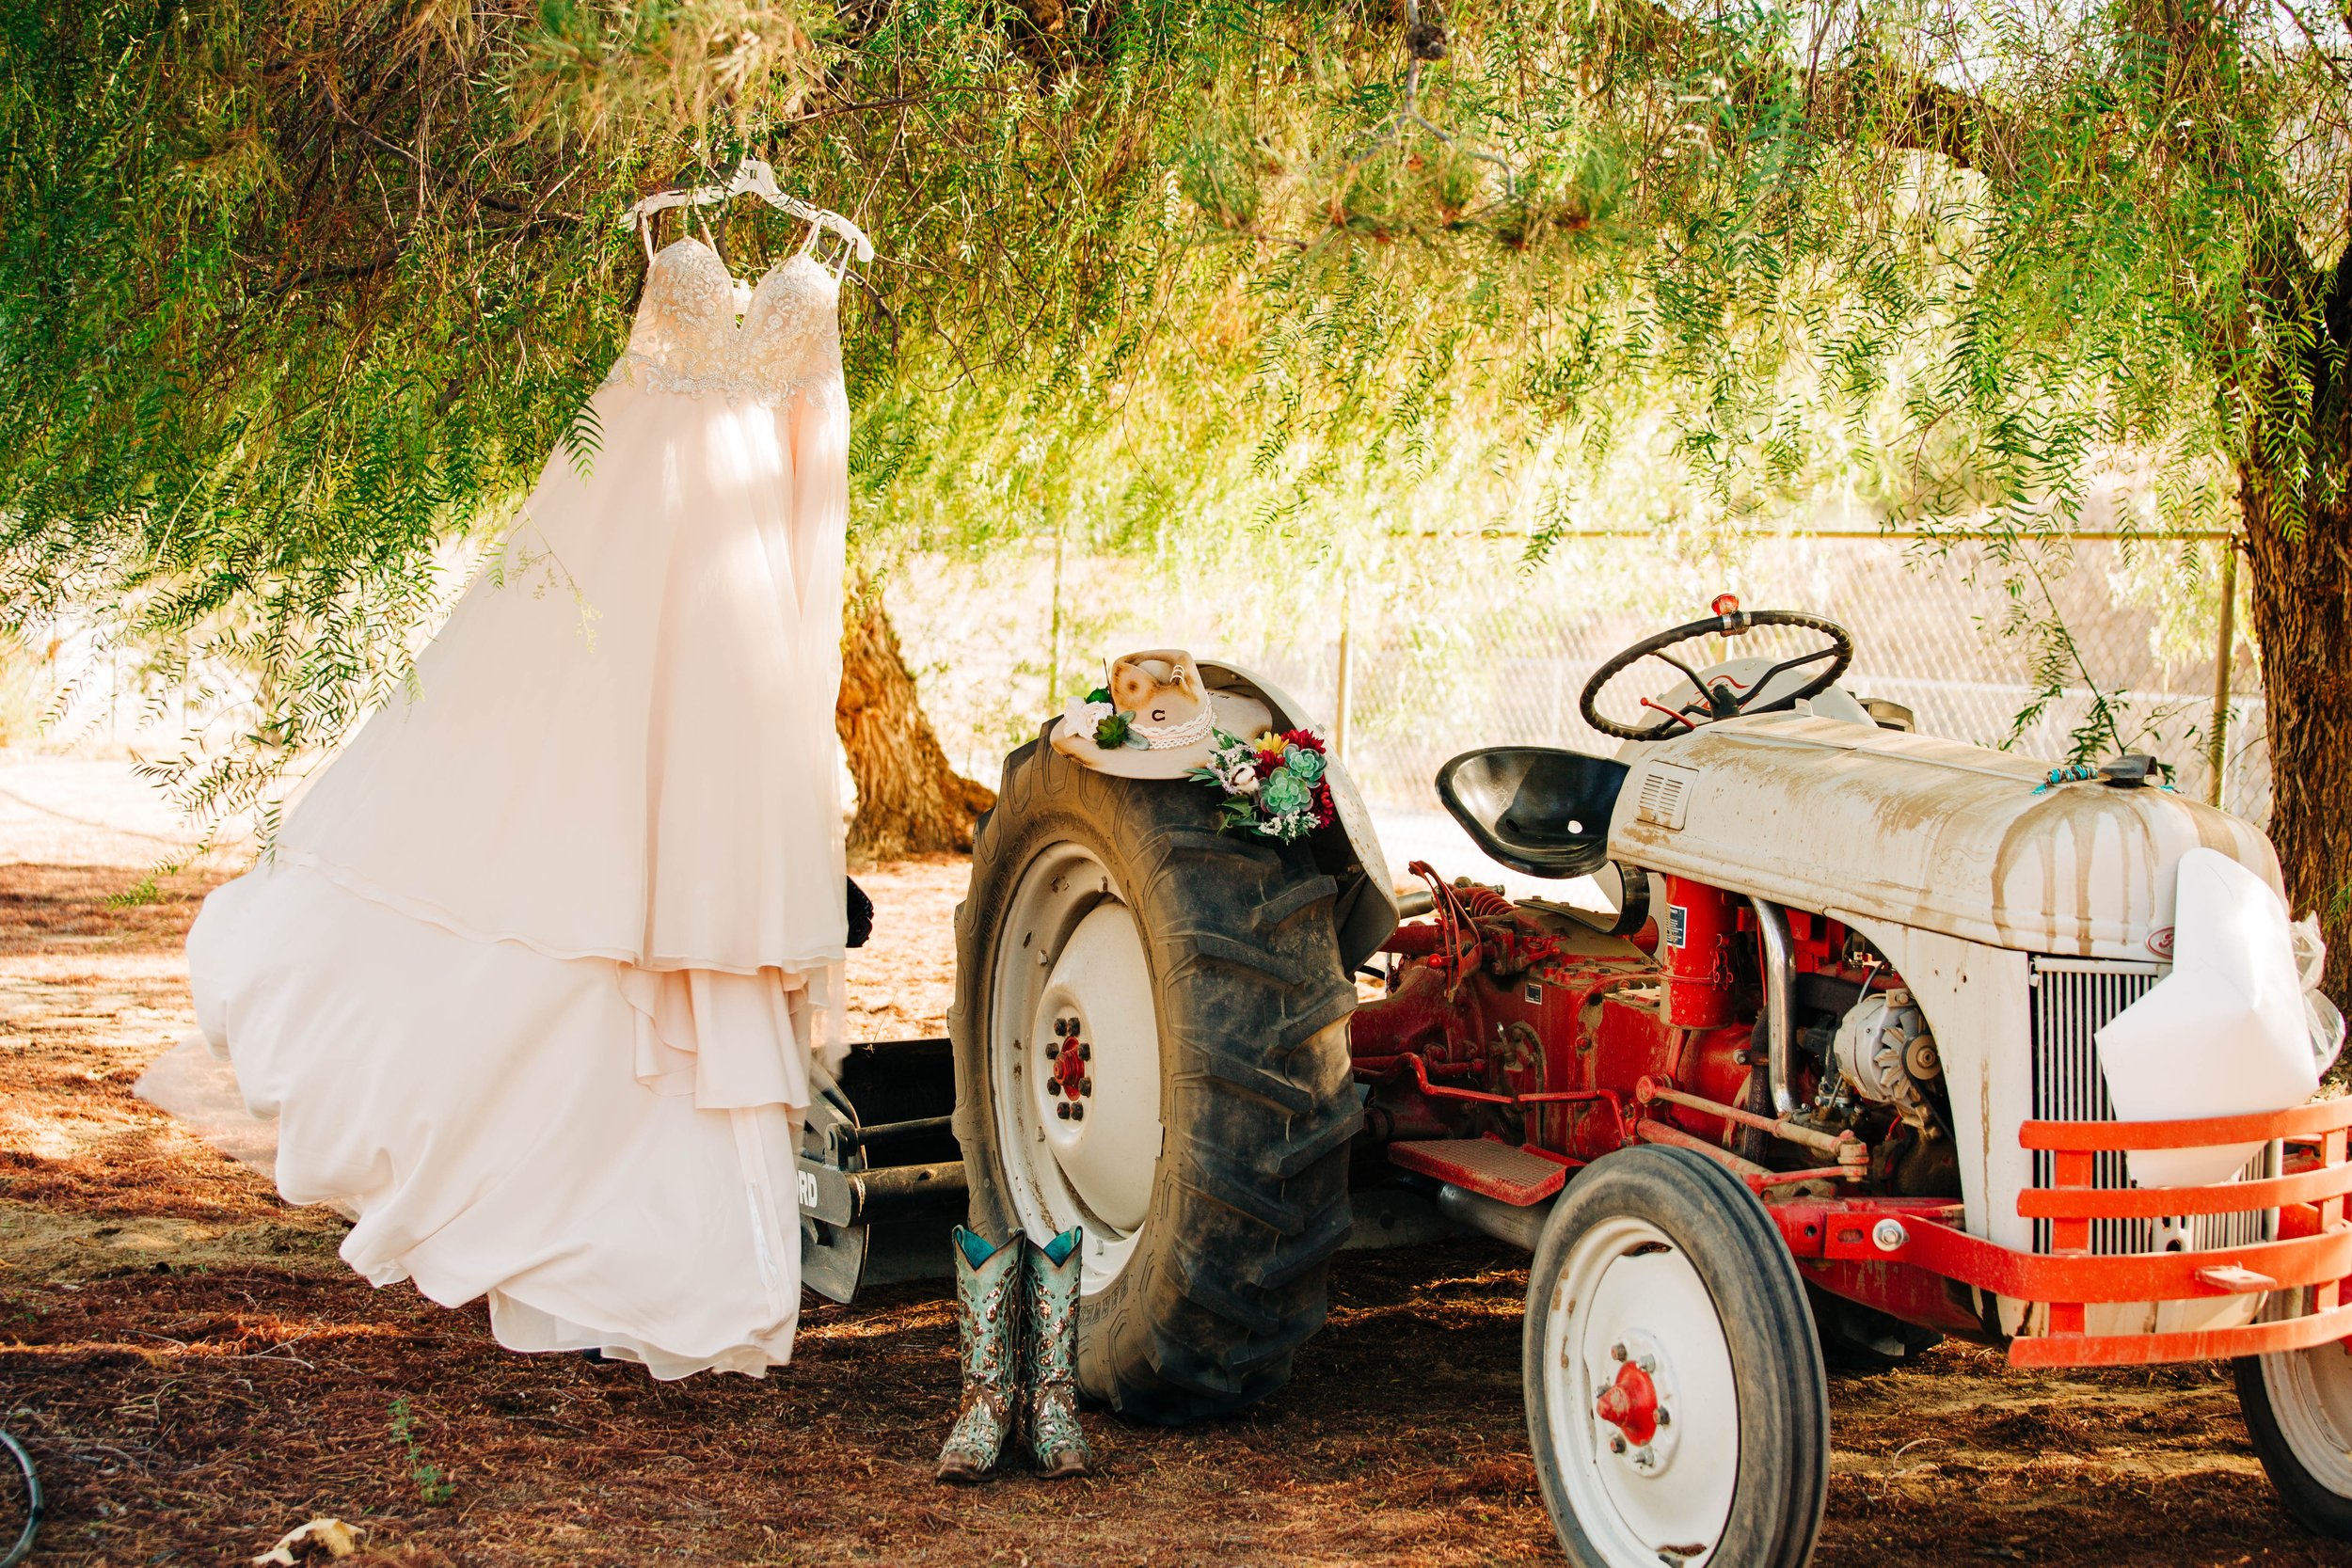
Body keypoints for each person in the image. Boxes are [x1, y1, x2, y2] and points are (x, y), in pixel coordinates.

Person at [165, 207, 858, 1378]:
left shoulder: (825, 262)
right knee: (570, 852)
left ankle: (653, 1234)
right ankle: (534, 1186)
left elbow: (815, 496)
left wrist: (794, 682)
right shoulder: (665, 236)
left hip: (742, 616)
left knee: (686, 910)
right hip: (616, 578)